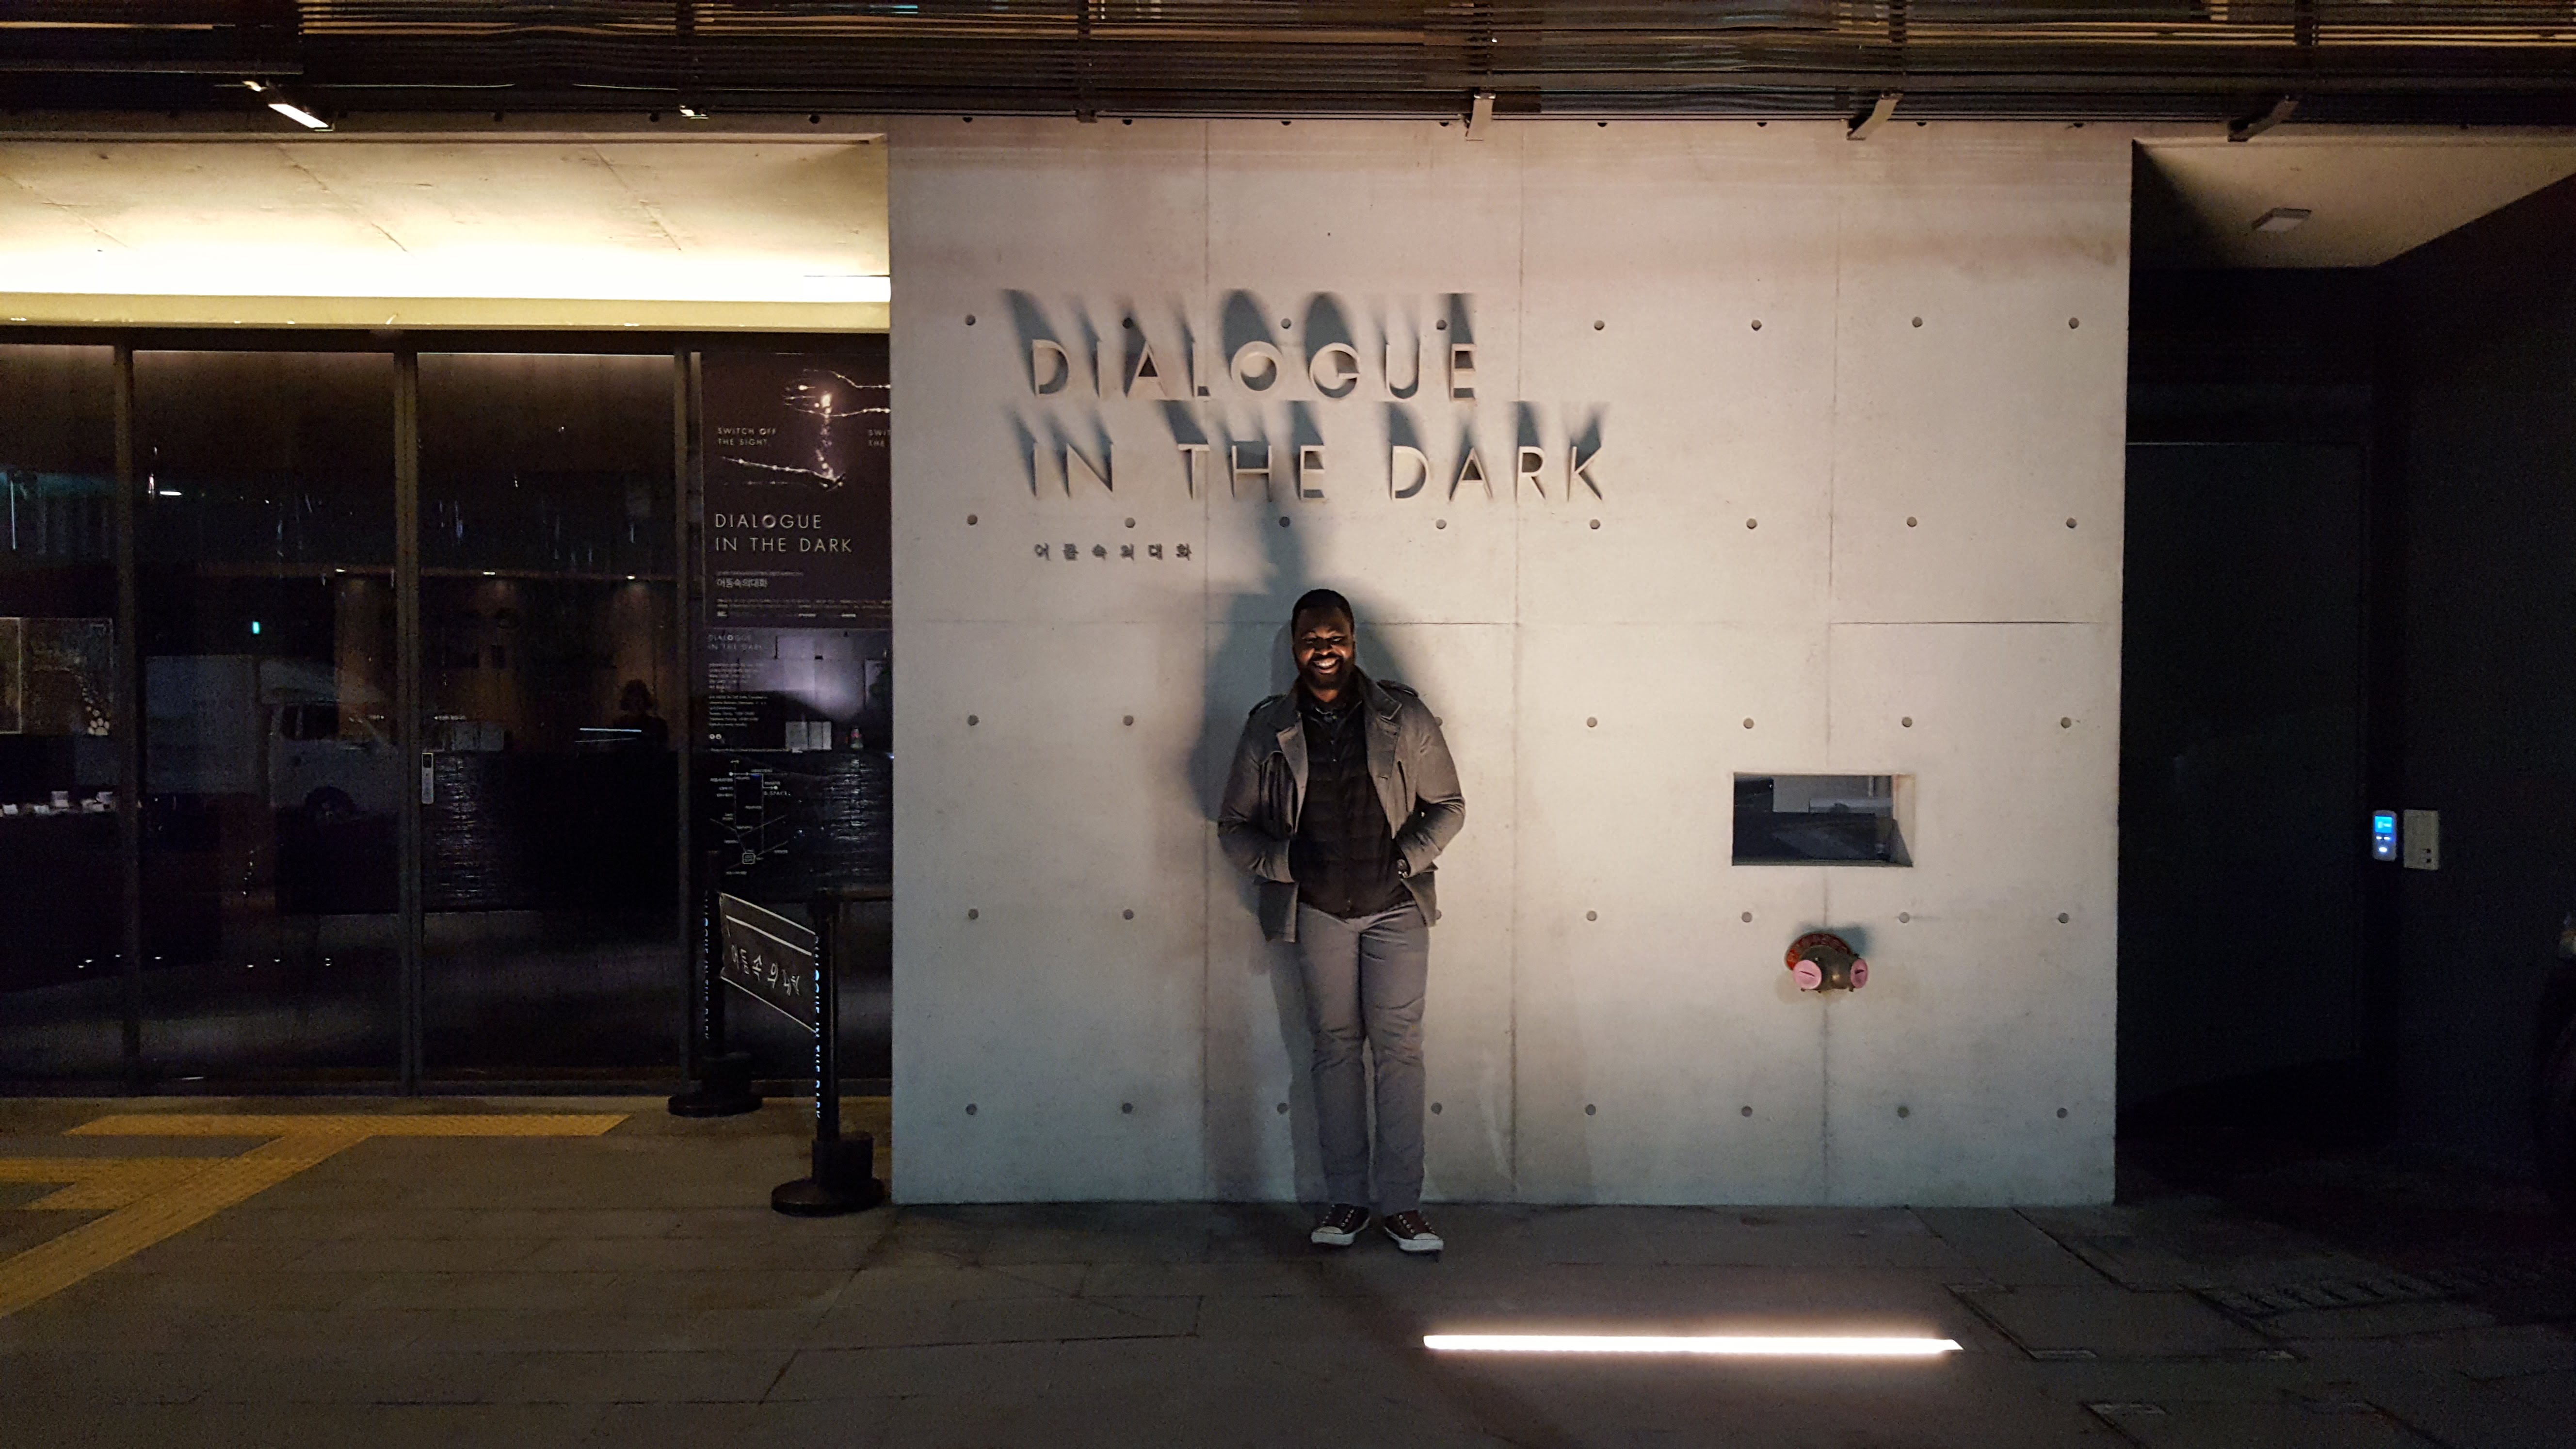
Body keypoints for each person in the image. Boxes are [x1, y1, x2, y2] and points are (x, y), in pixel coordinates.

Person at [1218, 589, 1465, 1255]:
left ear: (1352, 640)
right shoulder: (1268, 727)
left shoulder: (1401, 717)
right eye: (1310, 639)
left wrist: (1405, 858)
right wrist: (1283, 861)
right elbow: (1233, 828)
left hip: (1396, 913)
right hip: (1318, 913)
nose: (1323, 649)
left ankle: (1403, 1207)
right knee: (1334, 1054)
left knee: (1399, 1054)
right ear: (1294, 646)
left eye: (1335, 636)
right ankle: (1349, 1201)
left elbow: (1448, 805)